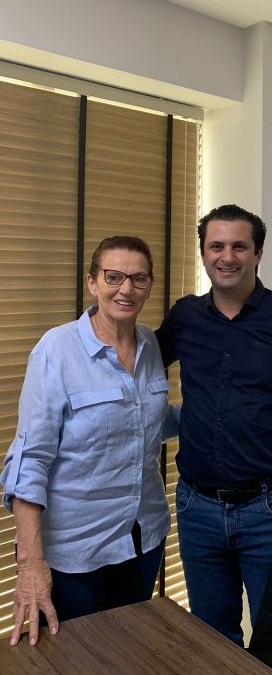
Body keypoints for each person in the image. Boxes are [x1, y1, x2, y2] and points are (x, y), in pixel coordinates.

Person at [155, 204, 272, 646]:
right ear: (203, 253)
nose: (227, 256)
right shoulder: (185, 317)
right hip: (197, 508)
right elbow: (138, 366)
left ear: (258, 253)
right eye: (216, 246)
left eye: (239, 247)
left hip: (270, 510)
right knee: (212, 639)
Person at [1, 236, 179, 646]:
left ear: (149, 285)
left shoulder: (150, 345)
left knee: (129, 651)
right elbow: (29, 462)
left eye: (138, 278)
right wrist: (30, 565)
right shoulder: (56, 350)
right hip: (74, 554)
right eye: (113, 276)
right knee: (71, 657)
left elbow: (149, 423)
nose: (126, 288)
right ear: (92, 282)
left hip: (143, 538)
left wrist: (219, 418)